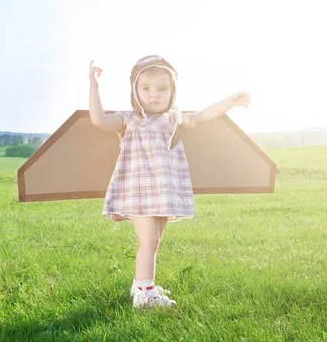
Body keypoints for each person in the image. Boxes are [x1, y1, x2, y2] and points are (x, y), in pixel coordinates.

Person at [88, 55, 251, 308]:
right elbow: (98, 120)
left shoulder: (172, 118)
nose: (154, 95)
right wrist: (94, 86)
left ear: (172, 92)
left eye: (162, 89)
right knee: (149, 241)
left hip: (164, 190)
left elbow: (200, 117)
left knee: (155, 241)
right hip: (138, 191)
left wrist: (229, 102)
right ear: (135, 90)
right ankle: (145, 296)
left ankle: (141, 283)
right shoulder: (129, 119)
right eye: (146, 88)